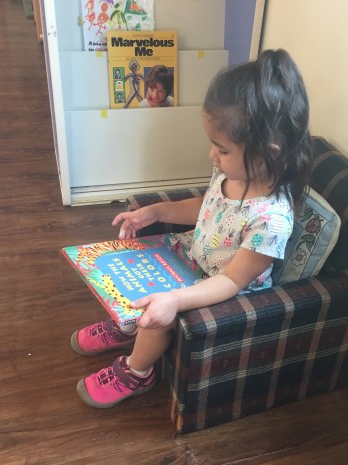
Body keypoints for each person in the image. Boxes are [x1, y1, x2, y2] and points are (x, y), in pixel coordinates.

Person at [71, 49, 314, 408]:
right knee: (133, 260)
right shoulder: (233, 172)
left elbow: (232, 281)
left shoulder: (272, 219)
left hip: (219, 289)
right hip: (192, 257)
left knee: (156, 317)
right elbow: (206, 207)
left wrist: (173, 300)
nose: (213, 156)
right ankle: (127, 323)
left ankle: (137, 371)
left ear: (269, 151)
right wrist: (157, 211)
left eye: (222, 149)